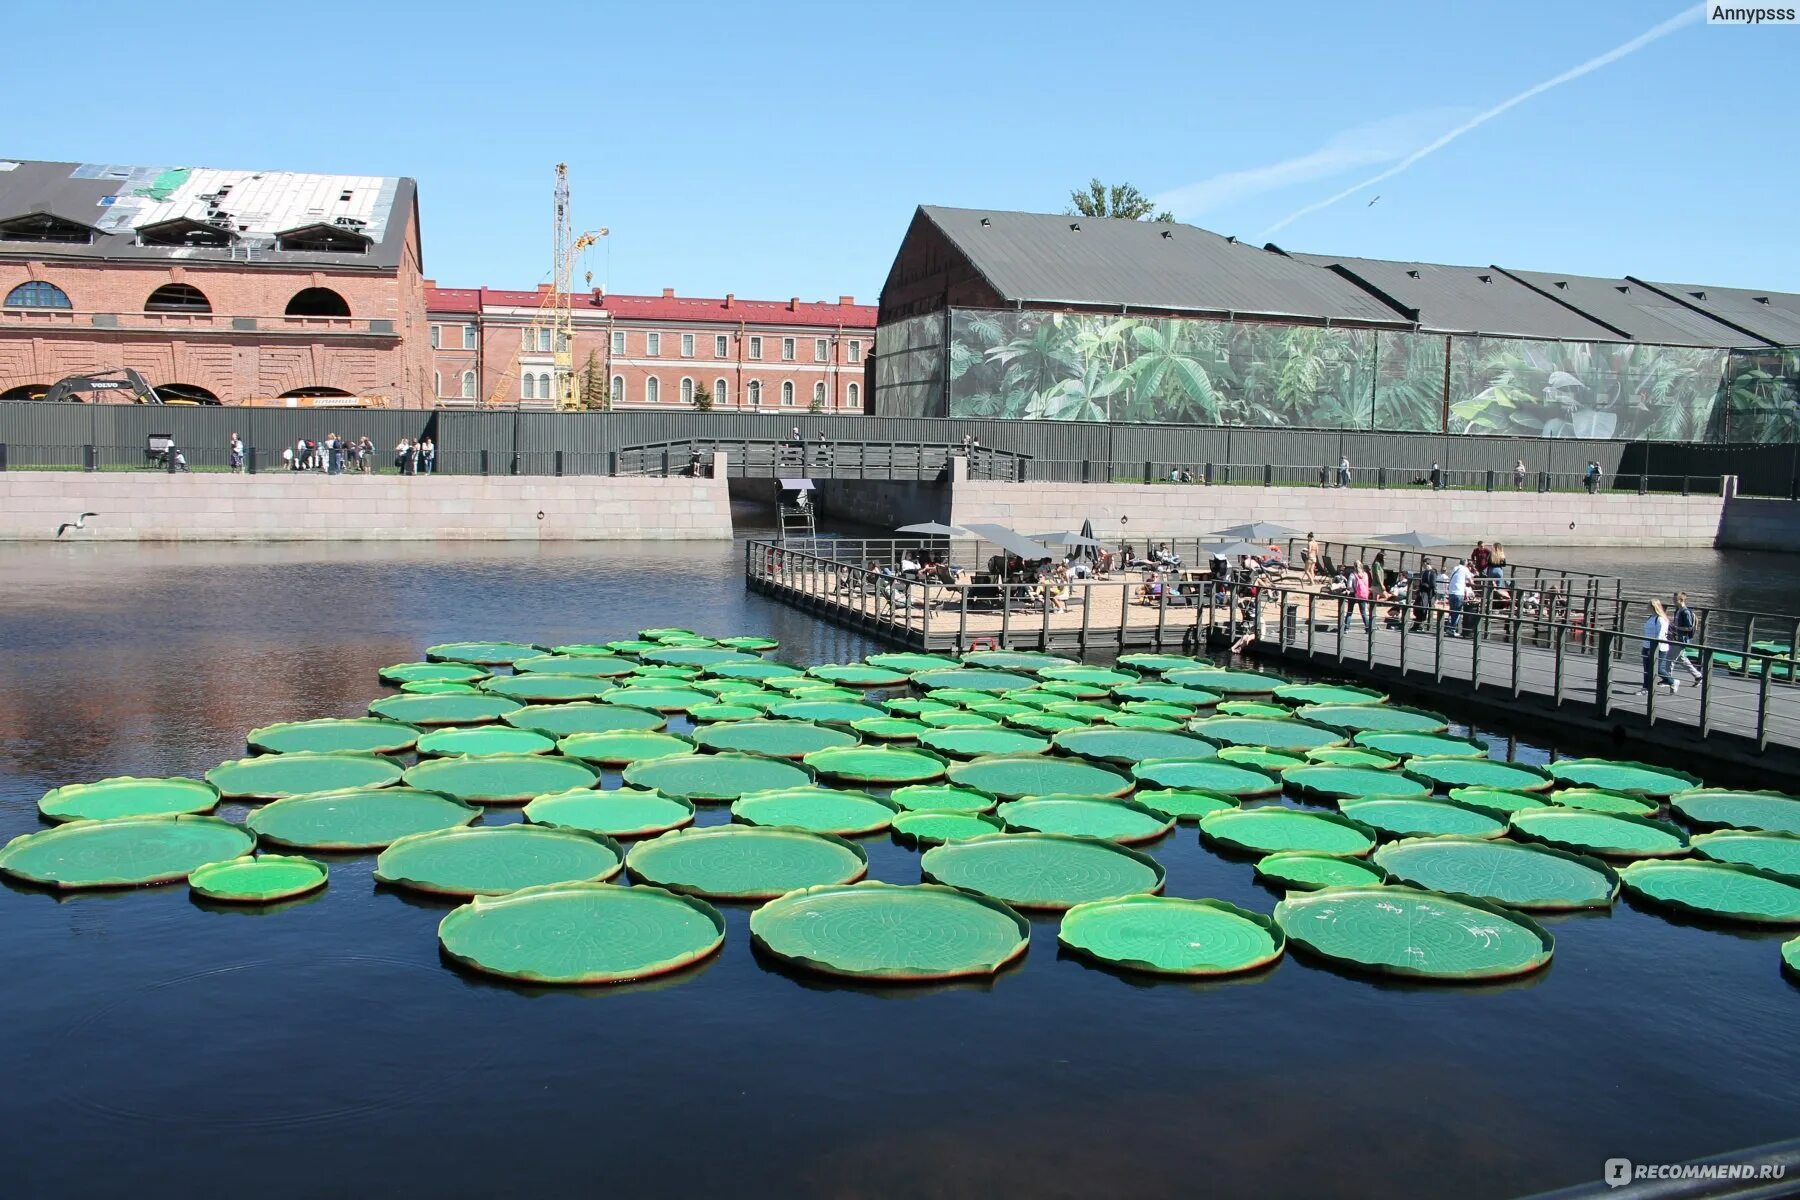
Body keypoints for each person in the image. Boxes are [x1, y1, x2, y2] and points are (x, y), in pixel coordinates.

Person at [1641, 599, 1676, 694]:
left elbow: (1660, 636)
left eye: (1648, 606)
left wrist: (1652, 648)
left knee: (1658, 669)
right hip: (1646, 645)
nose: (1647, 607)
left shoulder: (1660, 619)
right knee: (1647, 669)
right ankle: (1646, 688)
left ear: (1653, 607)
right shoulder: (1650, 617)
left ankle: (1672, 681)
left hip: (1659, 647)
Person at [1670, 592, 1704, 683]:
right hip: (1675, 637)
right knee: (1682, 659)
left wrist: (1676, 627)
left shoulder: (1685, 612)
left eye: (1675, 600)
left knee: (1669, 658)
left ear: (1681, 600)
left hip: (1681, 639)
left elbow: (1689, 627)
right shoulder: (1677, 611)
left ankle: (1668, 679)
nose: (1673, 601)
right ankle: (1698, 676)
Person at [1446, 557, 1472, 635]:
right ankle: (1452, 629)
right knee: (1457, 612)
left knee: (1452, 611)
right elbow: (1470, 579)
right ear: (1466, 563)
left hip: (1451, 592)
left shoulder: (1455, 568)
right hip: (1458, 593)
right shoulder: (1465, 569)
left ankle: (1449, 627)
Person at [1412, 559, 1438, 631]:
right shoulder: (1425, 572)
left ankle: (1421, 625)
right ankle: (1419, 624)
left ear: (1426, 563)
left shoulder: (1432, 572)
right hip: (1423, 593)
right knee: (1420, 608)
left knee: (1423, 609)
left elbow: (1433, 584)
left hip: (1427, 593)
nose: (1422, 565)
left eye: (1423, 564)